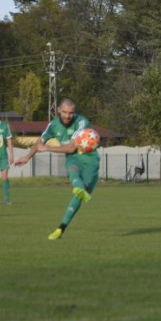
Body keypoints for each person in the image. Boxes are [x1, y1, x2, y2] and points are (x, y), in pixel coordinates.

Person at [14, 98, 99, 240]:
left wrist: (47, 148)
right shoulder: (53, 125)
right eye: (64, 112)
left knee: (79, 194)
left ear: (74, 112)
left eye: (70, 113)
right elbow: (39, 142)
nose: (67, 116)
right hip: (73, 158)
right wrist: (28, 156)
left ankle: (62, 225)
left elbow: (71, 147)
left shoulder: (82, 122)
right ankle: (61, 228)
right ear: (59, 110)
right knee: (73, 170)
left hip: (90, 160)